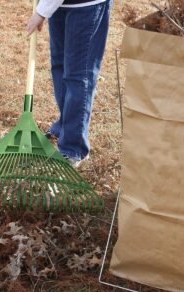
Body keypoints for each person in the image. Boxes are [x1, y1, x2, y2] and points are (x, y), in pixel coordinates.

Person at [27, 0, 113, 167]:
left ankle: (74, 147)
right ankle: (66, 126)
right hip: (60, 5)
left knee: (78, 75)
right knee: (59, 67)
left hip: (87, 7)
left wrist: (41, 12)